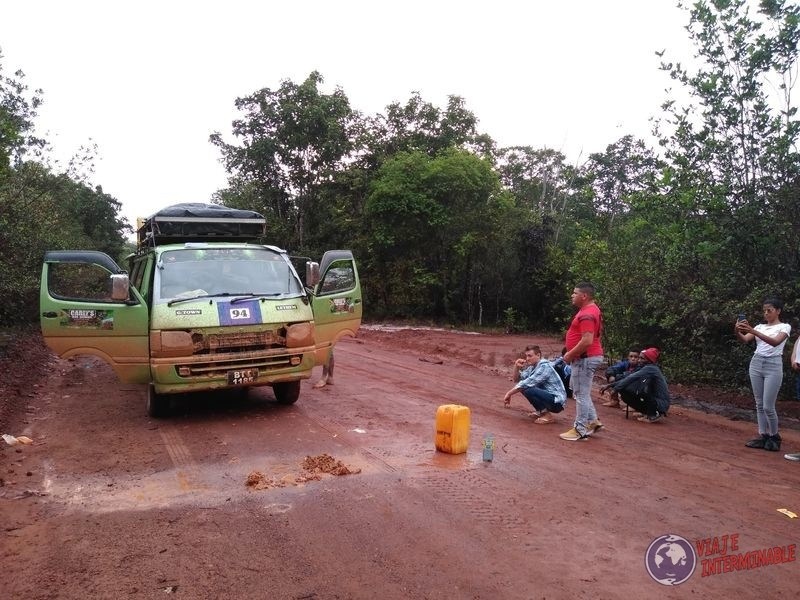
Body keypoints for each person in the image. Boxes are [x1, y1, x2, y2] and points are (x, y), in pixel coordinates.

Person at [735, 298, 791, 452]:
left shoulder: (784, 327)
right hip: (757, 362)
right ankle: (763, 435)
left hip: (773, 364)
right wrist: (737, 330)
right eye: (765, 311)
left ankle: (774, 436)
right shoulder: (760, 326)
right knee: (759, 403)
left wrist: (753, 331)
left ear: (778, 311)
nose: (766, 313)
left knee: (768, 405)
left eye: (770, 310)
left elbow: (775, 342)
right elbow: (745, 340)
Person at [559, 282, 605, 441]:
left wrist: (569, 355)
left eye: (575, 293)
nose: (572, 295)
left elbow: (587, 340)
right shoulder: (591, 310)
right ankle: (593, 421)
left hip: (584, 358)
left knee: (580, 394)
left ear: (584, 296)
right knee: (581, 392)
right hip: (586, 357)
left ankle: (580, 429)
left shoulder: (587, 314)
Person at [600, 347, 670, 422]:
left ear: (649, 360)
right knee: (627, 391)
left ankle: (653, 414)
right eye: (639, 358)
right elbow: (628, 377)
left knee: (641, 389)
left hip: (660, 403)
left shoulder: (651, 369)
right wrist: (610, 385)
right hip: (657, 401)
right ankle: (646, 412)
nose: (638, 360)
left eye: (641, 358)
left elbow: (631, 378)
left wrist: (615, 388)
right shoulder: (644, 367)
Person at [503, 345, 566, 423]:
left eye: (530, 356)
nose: (527, 358)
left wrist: (509, 394)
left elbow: (526, 383)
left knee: (528, 389)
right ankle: (541, 411)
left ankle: (547, 416)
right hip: (549, 398)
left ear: (538, 355)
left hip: (557, 402)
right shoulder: (532, 367)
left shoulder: (544, 366)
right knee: (524, 387)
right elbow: (517, 380)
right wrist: (516, 366)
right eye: (526, 356)